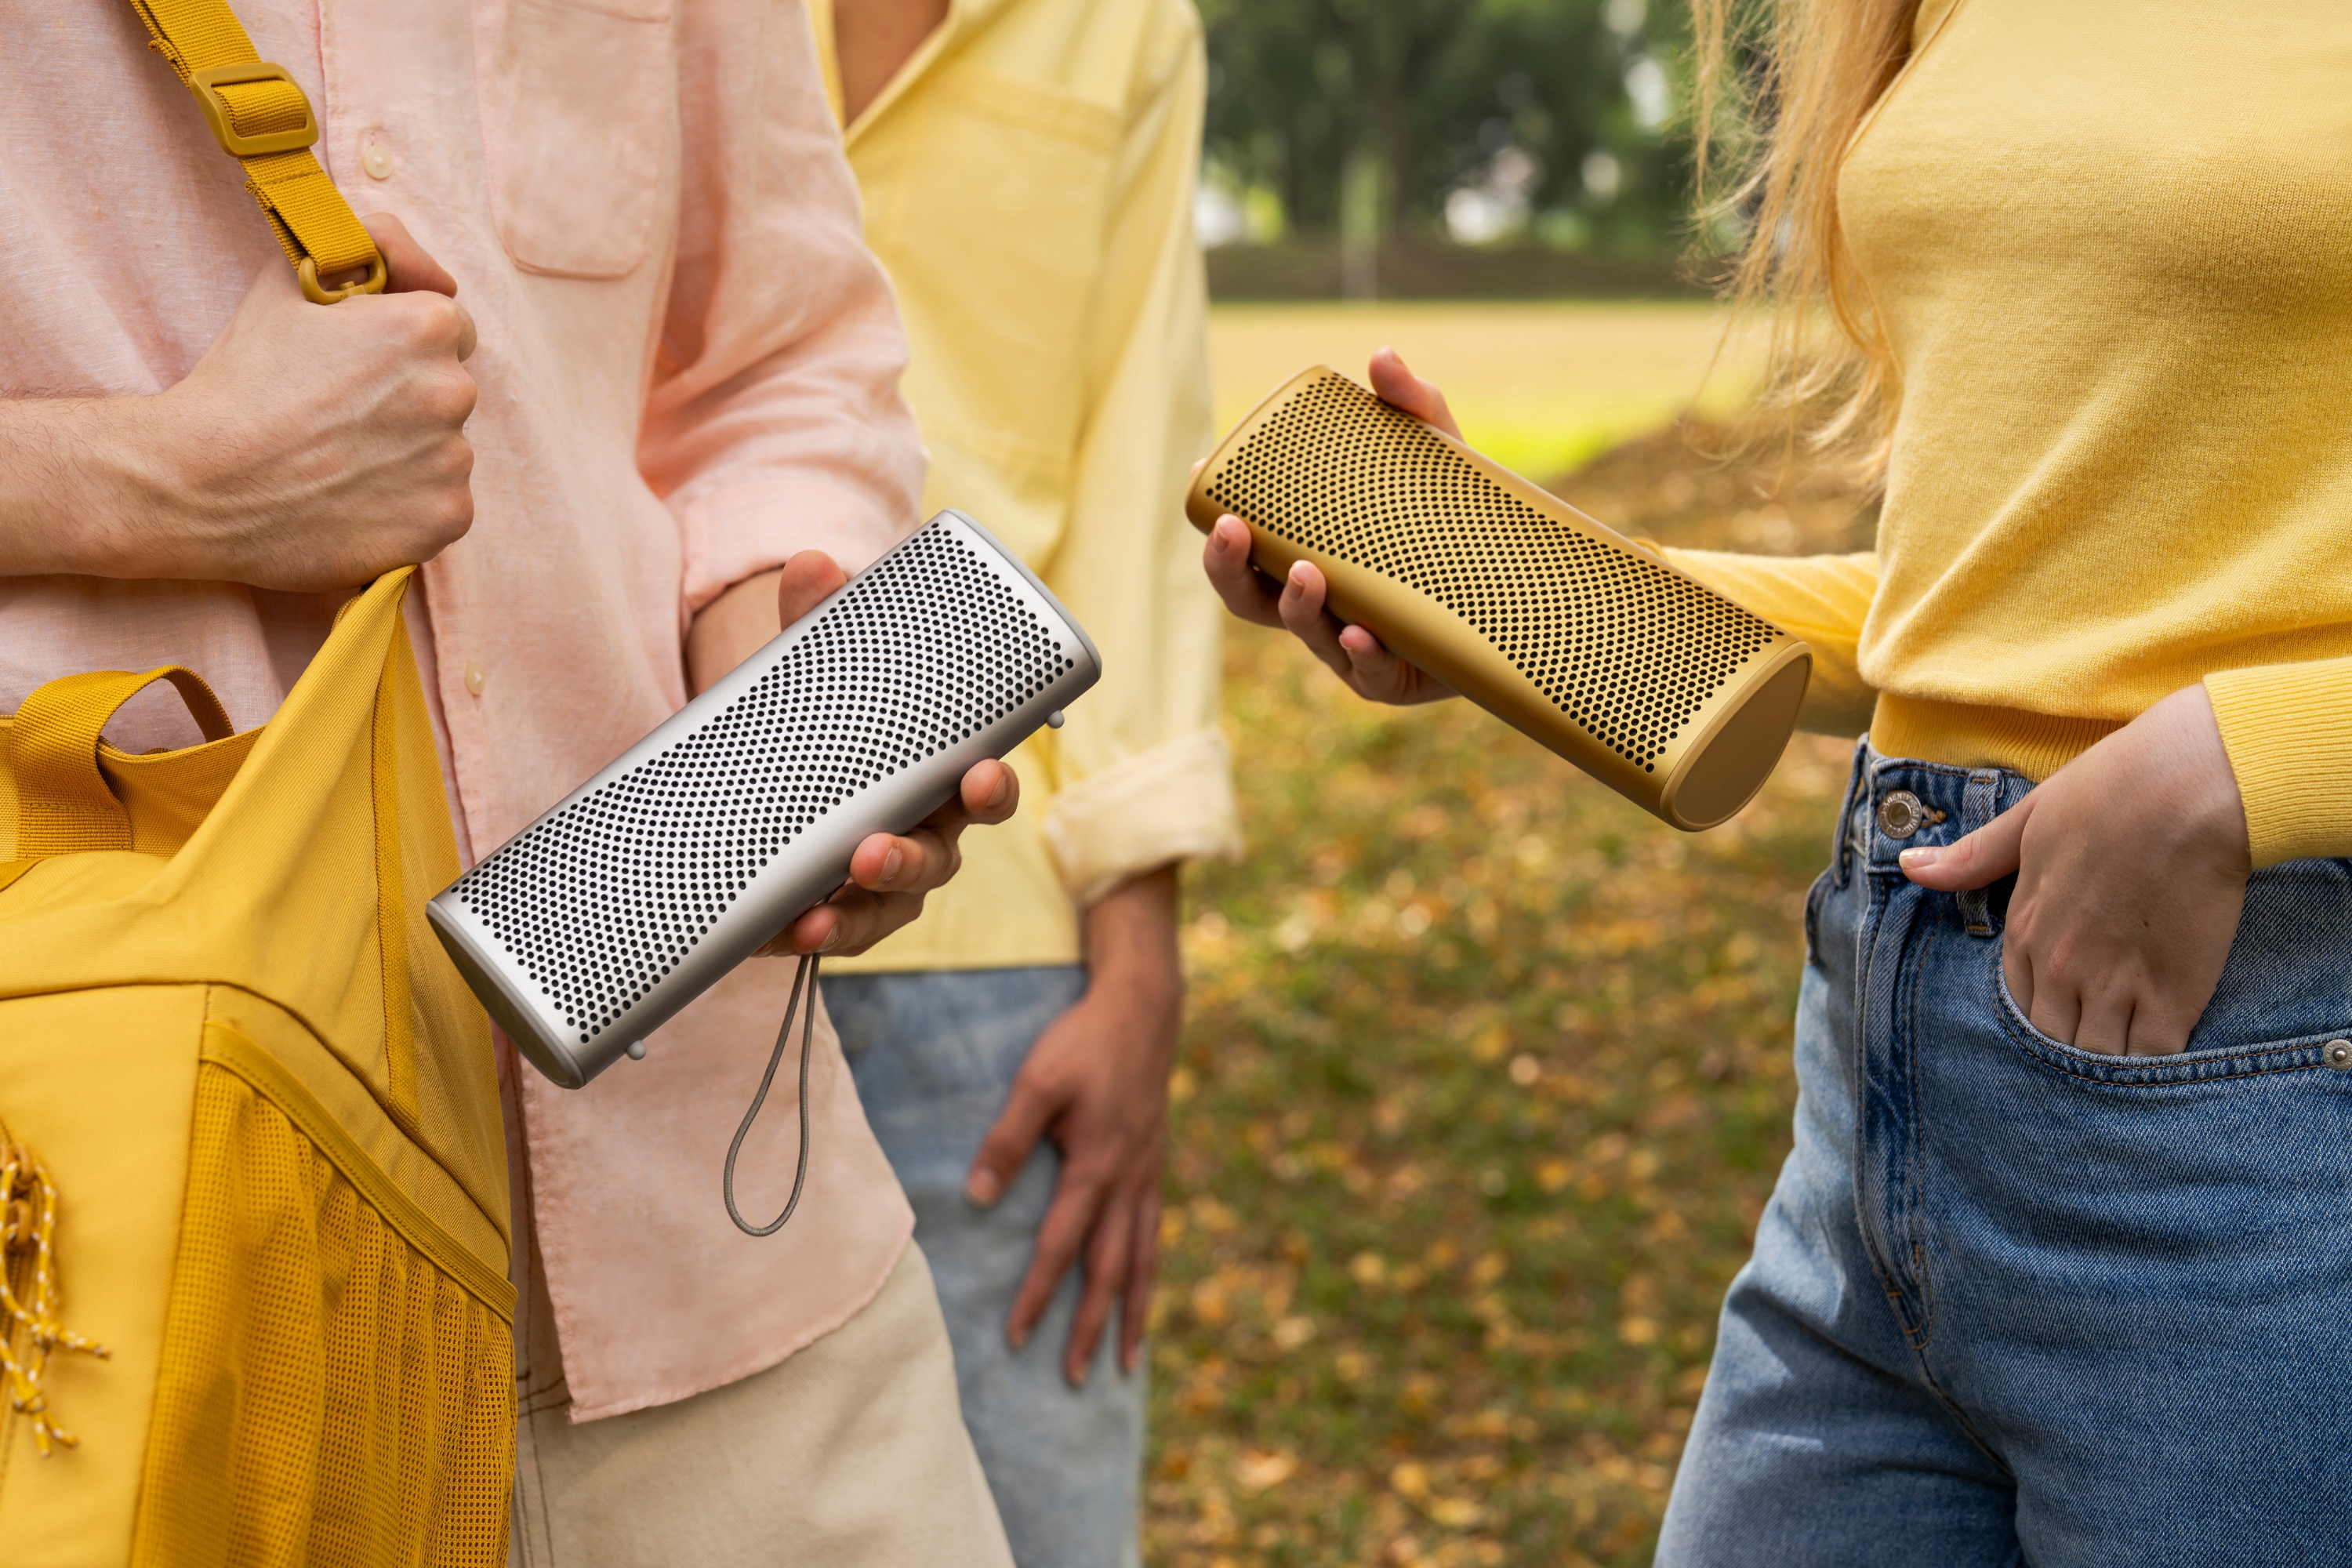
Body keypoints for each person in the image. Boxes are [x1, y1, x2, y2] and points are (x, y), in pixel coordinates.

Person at [1199, 1, 2352, 1559]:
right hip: (1885, 1104)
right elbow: (1989, 610)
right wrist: (1537, 601)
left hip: (2261, 1101)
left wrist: (2241, 764)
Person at [2, 4, 1023, 1563]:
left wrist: (774, 668)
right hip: (135, 1307)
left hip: (719, 1236)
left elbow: (783, 355)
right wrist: (164, 478)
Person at [806, 2, 1241, 1563]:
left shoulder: (1124, 29)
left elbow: (1138, 476)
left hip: (983, 974)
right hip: (624, 888)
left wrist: (1140, 965)